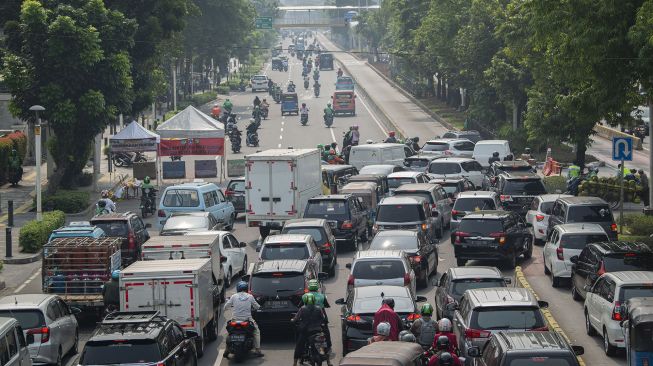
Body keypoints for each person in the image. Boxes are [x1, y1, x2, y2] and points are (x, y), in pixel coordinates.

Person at [223, 281, 264, 358]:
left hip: (235, 320)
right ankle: (258, 350)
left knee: (228, 333)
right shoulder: (250, 296)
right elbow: (257, 307)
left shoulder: (234, 296)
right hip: (247, 320)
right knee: (256, 331)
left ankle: (226, 350)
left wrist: (227, 308)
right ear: (246, 288)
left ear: (238, 288)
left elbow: (225, 306)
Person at [292, 293, 327, 366]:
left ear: (305, 300)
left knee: (299, 346)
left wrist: (292, 320)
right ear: (314, 300)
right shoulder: (319, 308)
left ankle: (295, 363)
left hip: (305, 331)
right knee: (323, 345)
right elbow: (323, 318)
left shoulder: (302, 309)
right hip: (317, 330)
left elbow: (296, 318)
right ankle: (328, 361)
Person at [307, 280, 332, 350]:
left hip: (308, 318)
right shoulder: (322, 296)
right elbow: (327, 305)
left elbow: (300, 306)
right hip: (320, 318)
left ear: (309, 288)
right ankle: (328, 346)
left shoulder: (305, 296)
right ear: (317, 288)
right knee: (326, 331)